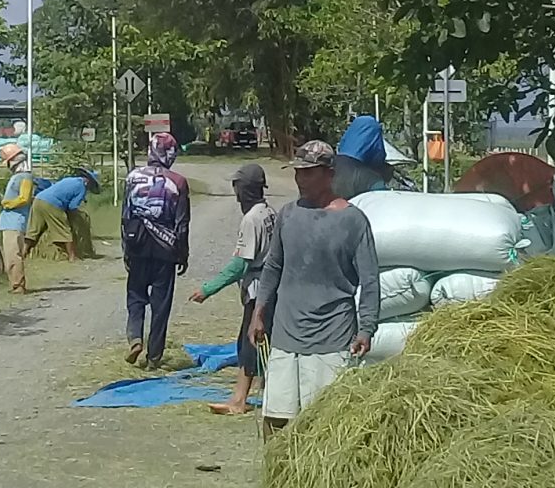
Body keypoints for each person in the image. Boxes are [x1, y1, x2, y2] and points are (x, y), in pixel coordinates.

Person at [251, 139, 380, 429]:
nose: (300, 179)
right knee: (276, 419)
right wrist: (259, 311)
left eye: (308, 173)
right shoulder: (288, 214)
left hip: (331, 338)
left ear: (329, 174)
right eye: (298, 172)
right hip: (286, 336)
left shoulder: (353, 221)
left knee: (323, 423)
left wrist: (366, 328)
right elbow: (273, 266)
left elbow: (370, 280)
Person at [192, 162, 274, 415]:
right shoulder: (269, 212)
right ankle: (268, 392)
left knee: (248, 343)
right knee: (266, 342)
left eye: (237, 187)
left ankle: (239, 400)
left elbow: (240, 264)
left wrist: (208, 289)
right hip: (272, 286)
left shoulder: (251, 220)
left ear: (244, 189)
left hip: (258, 289)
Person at [120, 132, 192, 367]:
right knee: (161, 306)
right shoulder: (178, 182)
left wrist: (126, 249)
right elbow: (182, 223)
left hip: (137, 245)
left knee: (135, 296)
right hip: (166, 250)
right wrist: (183, 254)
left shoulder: (132, 177)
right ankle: (154, 357)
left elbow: (125, 215)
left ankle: (135, 337)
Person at [29, 168, 102, 259]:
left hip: (38, 199)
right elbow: (72, 207)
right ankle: (72, 256)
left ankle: (23, 253)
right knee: (65, 232)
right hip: (52, 204)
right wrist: (76, 218)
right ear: (88, 181)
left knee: (33, 230)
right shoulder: (82, 187)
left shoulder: (68, 180)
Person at [0, 144, 40, 294]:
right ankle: (15, 283)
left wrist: (6, 203)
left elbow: (24, 198)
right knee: (10, 255)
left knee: (13, 255)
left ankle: (18, 285)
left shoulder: (25, 177)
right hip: (9, 221)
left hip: (15, 221)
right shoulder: (18, 177)